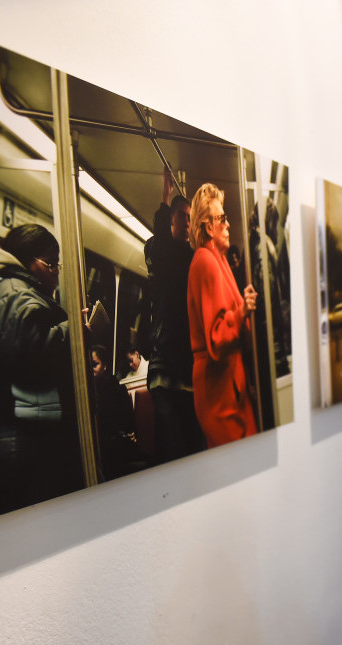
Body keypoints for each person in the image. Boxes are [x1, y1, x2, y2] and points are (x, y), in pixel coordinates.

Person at [0, 223, 84, 514]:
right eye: (51, 263)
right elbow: (32, 357)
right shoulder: (15, 292)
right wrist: (78, 331)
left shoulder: (1, 291)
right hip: (25, 437)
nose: (55, 272)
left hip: (12, 429)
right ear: (27, 261)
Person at [187, 182, 259, 447]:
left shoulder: (218, 260)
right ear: (208, 227)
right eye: (223, 219)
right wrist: (241, 312)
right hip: (220, 394)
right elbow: (217, 339)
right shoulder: (205, 261)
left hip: (229, 387)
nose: (228, 225)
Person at [144, 171, 207, 462]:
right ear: (170, 219)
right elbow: (160, 242)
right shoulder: (160, 252)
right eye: (181, 215)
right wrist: (164, 196)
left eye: (190, 217)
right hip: (164, 368)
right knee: (172, 450)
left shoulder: (190, 258)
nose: (187, 222)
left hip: (186, 366)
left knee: (195, 447)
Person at [90, 345, 138, 480]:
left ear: (104, 366)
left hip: (117, 446)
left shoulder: (115, 390)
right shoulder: (88, 392)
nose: (91, 370)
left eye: (95, 365)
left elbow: (127, 423)